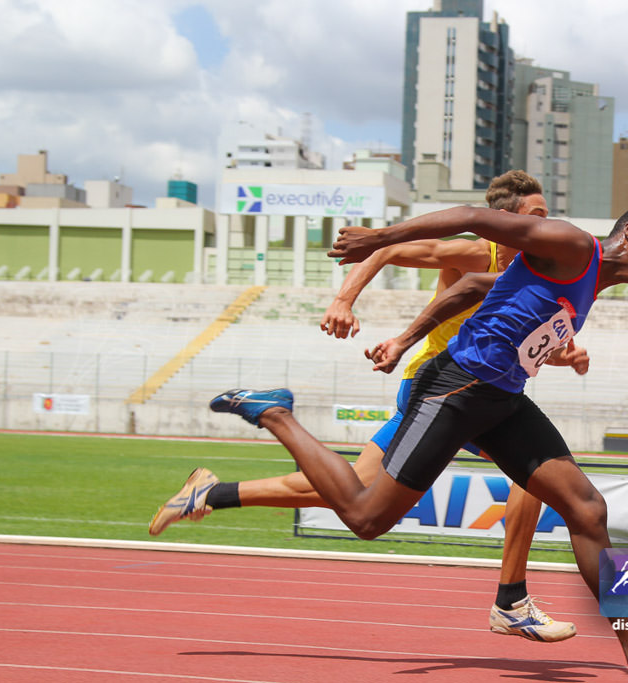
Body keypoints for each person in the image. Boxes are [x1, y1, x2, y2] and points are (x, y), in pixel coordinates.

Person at [205, 204, 628, 682]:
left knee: (588, 510)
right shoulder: (572, 245)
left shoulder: (592, 281)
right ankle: (274, 412)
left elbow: (477, 285)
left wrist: (405, 339)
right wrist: (382, 239)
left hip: (502, 399)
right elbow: (476, 217)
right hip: (456, 389)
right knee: (366, 518)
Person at [150, 171, 583, 642]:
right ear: (506, 220)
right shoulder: (479, 251)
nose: (547, 224)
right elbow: (389, 249)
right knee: (533, 474)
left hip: (465, 392)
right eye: (537, 215)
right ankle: (511, 599)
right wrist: (343, 300)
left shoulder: (539, 272)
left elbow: (527, 343)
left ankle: (209, 493)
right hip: (441, 386)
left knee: (355, 489)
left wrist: (566, 353)